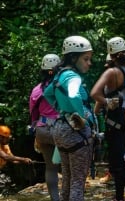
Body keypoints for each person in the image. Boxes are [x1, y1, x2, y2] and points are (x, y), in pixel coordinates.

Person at [90, 36, 125, 201]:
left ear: (111, 55)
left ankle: (119, 197)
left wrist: (107, 102)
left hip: (115, 122)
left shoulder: (111, 73)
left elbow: (95, 94)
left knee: (118, 162)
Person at [43, 35, 96, 201]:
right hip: (76, 131)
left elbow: (47, 93)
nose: (89, 63)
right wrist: (82, 116)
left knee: (67, 178)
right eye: (86, 59)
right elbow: (73, 93)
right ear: (73, 57)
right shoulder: (73, 77)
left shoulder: (59, 75)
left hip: (60, 128)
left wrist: (61, 109)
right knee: (78, 182)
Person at [29, 54, 61, 201]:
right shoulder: (61, 87)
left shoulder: (37, 90)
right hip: (60, 129)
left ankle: (55, 199)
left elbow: (33, 114)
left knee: (50, 167)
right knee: (67, 166)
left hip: (42, 130)